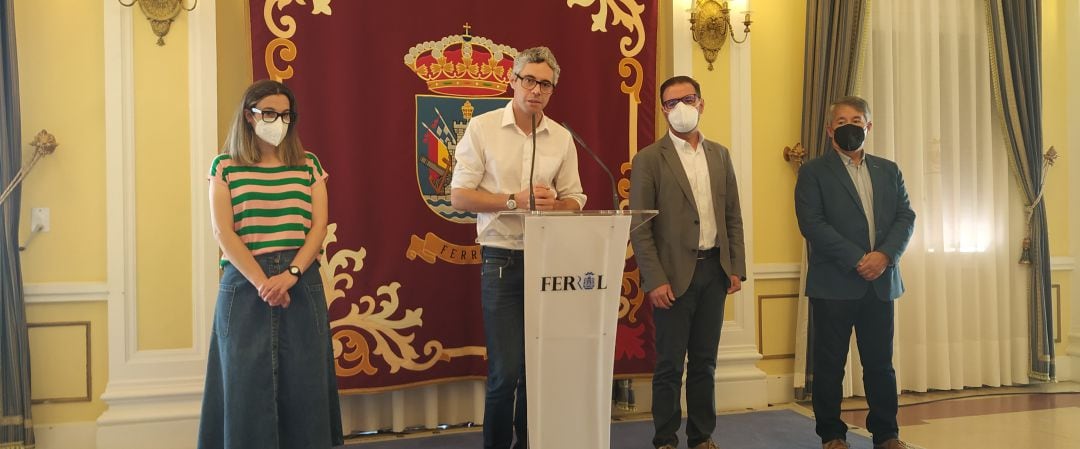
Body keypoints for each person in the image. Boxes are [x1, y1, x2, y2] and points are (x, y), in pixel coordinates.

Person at [450, 46, 587, 449]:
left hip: (549, 261)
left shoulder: (562, 137)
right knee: (505, 373)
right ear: (513, 81)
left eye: (546, 84)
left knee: (536, 371)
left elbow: (577, 199)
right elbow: (459, 196)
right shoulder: (484, 128)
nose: (537, 90)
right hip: (501, 258)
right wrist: (515, 200)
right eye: (529, 80)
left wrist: (556, 204)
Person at [199, 79, 343, 449]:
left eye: (285, 114)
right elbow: (223, 231)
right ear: (249, 116)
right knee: (243, 384)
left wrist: (290, 275)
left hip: (300, 282)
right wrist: (264, 281)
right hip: (245, 284)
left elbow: (318, 226)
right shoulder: (225, 166)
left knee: (305, 384)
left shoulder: (309, 165)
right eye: (269, 113)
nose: (278, 120)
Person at [629, 75, 746, 449]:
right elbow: (640, 227)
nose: (680, 108)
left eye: (688, 99)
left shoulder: (720, 154)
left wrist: (735, 266)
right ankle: (665, 437)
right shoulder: (648, 159)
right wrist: (653, 279)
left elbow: (732, 216)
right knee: (668, 366)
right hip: (672, 277)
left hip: (714, 271)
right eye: (671, 103)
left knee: (705, 363)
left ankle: (702, 436)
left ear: (701, 103)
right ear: (663, 110)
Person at [794, 95, 916, 449]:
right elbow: (812, 224)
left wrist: (884, 256)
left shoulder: (889, 170)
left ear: (868, 126)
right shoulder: (813, 172)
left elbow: (905, 217)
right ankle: (832, 434)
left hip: (881, 282)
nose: (851, 126)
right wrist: (859, 258)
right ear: (830, 129)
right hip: (833, 283)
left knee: (880, 364)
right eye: (842, 120)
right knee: (830, 364)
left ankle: (887, 433)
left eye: (857, 119)